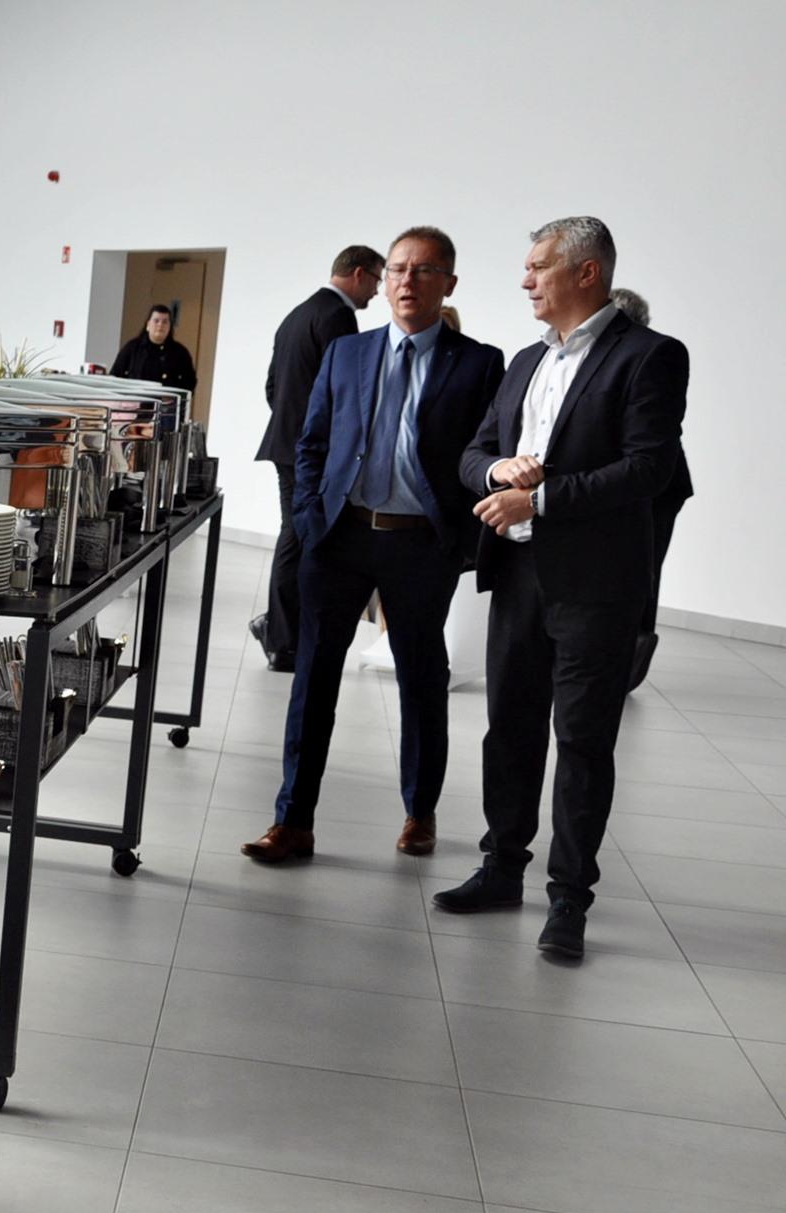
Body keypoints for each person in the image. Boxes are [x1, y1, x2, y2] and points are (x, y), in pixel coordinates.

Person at [436, 217, 691, 960]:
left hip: (595, 586)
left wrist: (540, 500)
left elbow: (649, 468)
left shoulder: (650, 355)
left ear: (587, 272)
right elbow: (474, 452)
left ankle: (569, 898)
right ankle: (500, 868)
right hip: (517, 575)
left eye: (539, 266)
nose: (525, 280)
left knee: (581, 742)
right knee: (509, 728)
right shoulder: (525, 360)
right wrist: (498, 471)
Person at [240, 227, 504, 865]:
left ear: (449, 284)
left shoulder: (478, 363)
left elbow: (482, 454)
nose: (408, 280)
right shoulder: (347, 353)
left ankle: (420, 812)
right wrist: (310, 521)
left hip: (420, 545)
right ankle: (292, 821)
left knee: (422, 681)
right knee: (313, 681)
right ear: (383, 282)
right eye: (398, 269)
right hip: (341, 538)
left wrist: (458, 540)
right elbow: (312, 442)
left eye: (424, 270)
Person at [252, 245, 385, 671]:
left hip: (288, 443)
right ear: (359, 273)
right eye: (377, 280)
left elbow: (272, 387)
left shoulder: (298, 313)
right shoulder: (337, 316)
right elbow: (343, 391)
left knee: (295, 535)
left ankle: (279, 631)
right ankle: (282, 638)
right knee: (300, 537)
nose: (377, 291)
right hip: (310, 451)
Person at [609, 287, 694, 690]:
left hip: (658, 489)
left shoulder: (652, 356)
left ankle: (630, 660)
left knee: (644, 573)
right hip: (634, 485)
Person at [110, 304, 199, 390]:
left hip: (166, 399)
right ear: (148, 325)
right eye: (156, 321)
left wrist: (174, 396)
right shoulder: (132, 348)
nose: (160, 325)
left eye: (165, 322)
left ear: (170, 327)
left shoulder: (180, 352)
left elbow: (190, 382)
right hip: (135, 399)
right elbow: (115, 376)